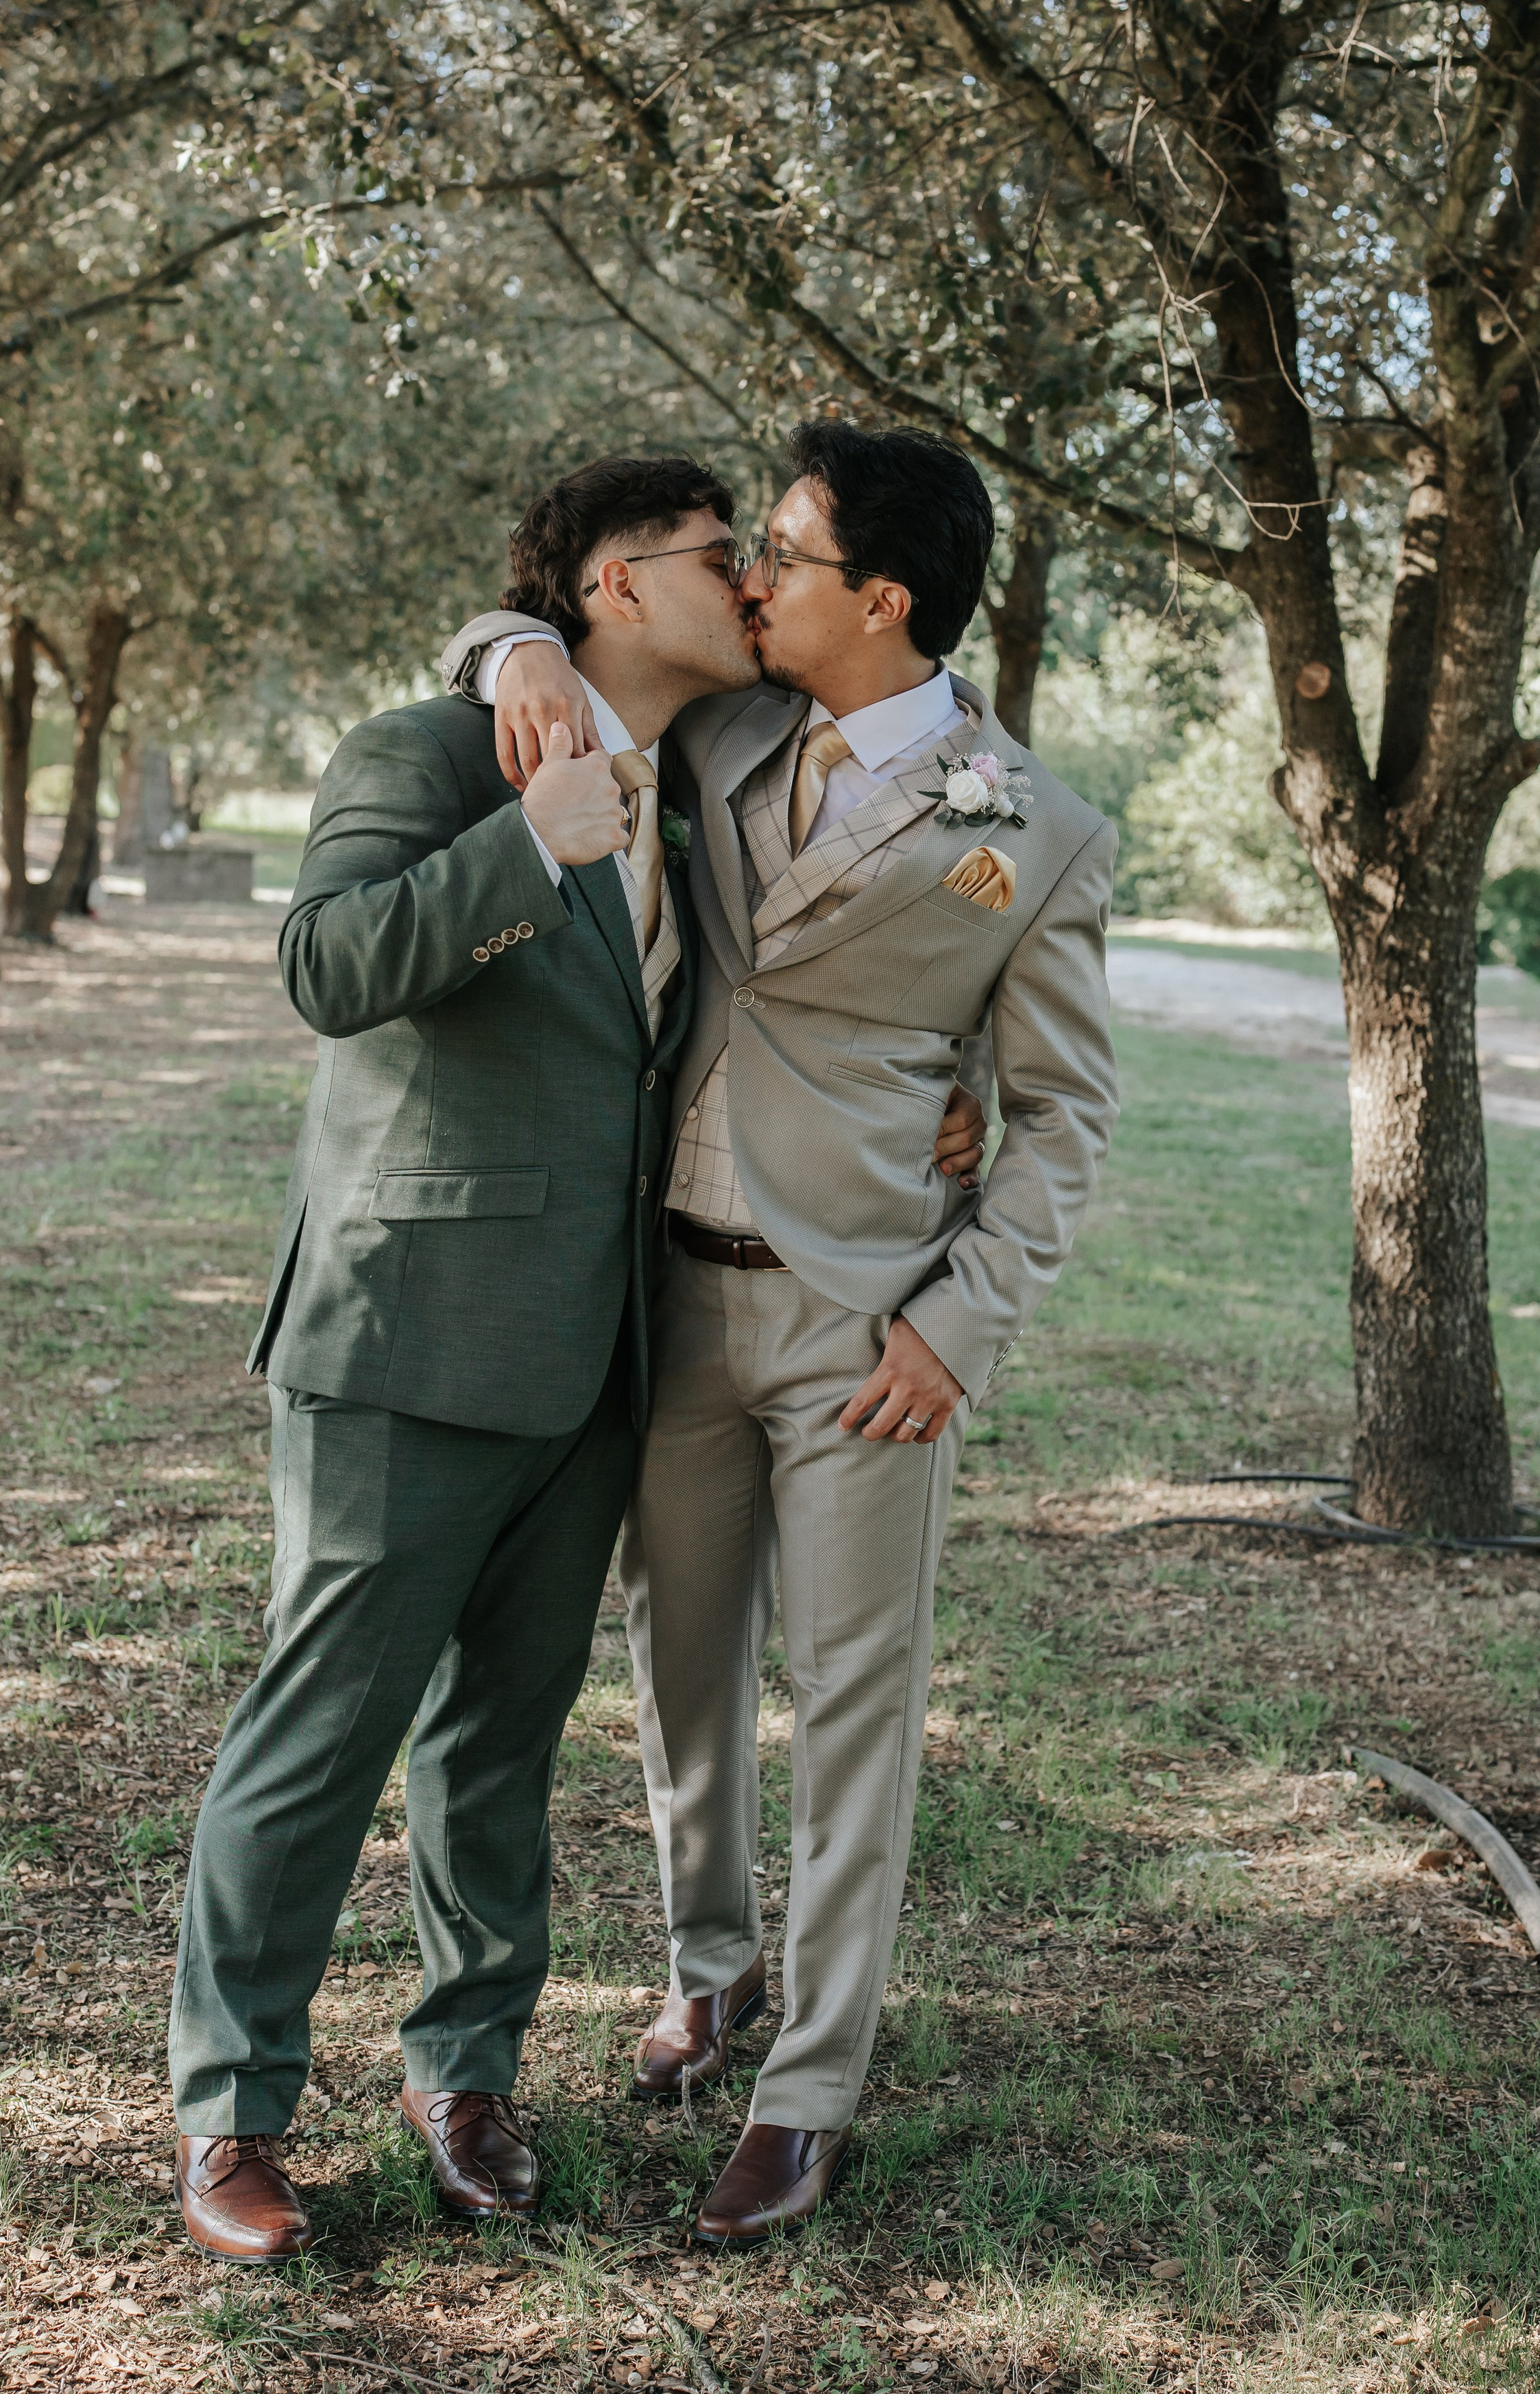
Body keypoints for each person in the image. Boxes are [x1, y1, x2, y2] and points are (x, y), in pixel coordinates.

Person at [443, 420, 1118, 2246]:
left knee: (854, 1714)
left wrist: (960, 1329)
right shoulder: (720, 732)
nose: (750, 579)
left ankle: (808, 2090)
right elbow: (530, 652)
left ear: (880, 599)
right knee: (681, 1674)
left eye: (789, 555)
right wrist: (509, 649)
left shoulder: (1033, 834)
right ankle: (713, 1964)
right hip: (670, 1291)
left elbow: (1061, 1118)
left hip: (868, 1337)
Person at [165, 455, 765, 2259]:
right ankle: (230, 2113)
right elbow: (329, 963)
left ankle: (468, 2069)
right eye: (718, 556)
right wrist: (525, 842)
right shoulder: (427, 755)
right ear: (607, 585)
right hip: (407, 1332)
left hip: (595, 1356)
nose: (750, 585)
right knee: (322, 1728)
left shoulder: (703, 787)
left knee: (499, 1746)